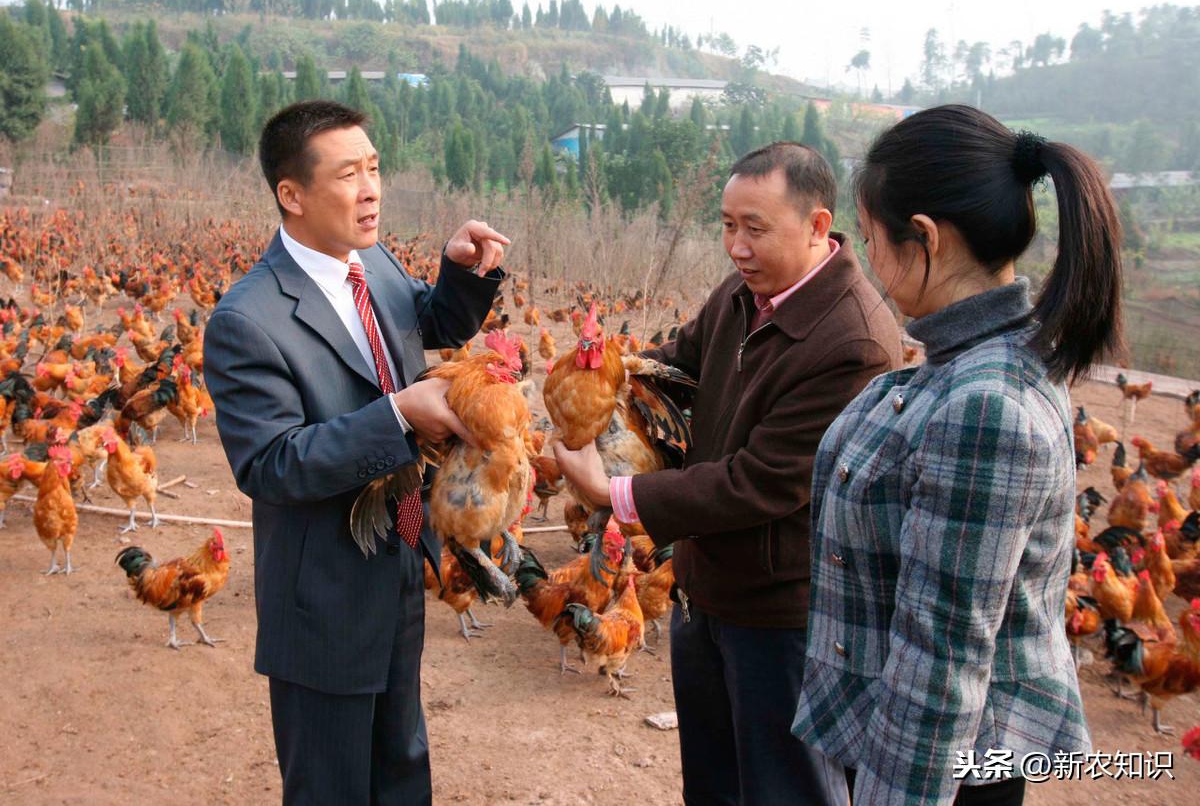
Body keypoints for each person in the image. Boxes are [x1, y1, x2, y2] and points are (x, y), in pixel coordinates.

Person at [554, 142, 901, 805]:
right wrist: (599, 388)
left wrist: (611, 491)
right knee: (712, 786)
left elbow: (762, 480)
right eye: (727, 224)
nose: (736, 246)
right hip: (706, 591)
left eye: (755, 228)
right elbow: (676, 363)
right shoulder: (746, 292)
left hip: (784, 617)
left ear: (818, 226)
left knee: (783, 790)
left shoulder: (852, 340)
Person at [793, 105, 1114, 805]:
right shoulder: (970, 364)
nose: (869, 261)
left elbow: (940, 670)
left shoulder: (985, 405)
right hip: (906, 746)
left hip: (944, 771)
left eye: (873, 238)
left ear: (926, 238)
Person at [204, 100, 510, 806]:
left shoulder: (370, 264)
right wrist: (401, 415)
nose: (371, 187)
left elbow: (423, 322)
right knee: (333, 786)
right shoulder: (248, 319)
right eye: (348, 174)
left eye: (374, 168)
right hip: (324, 599)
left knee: (401, 768)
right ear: (293, 194)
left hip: (398, 567)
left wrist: (461, 275)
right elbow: (272, 464)